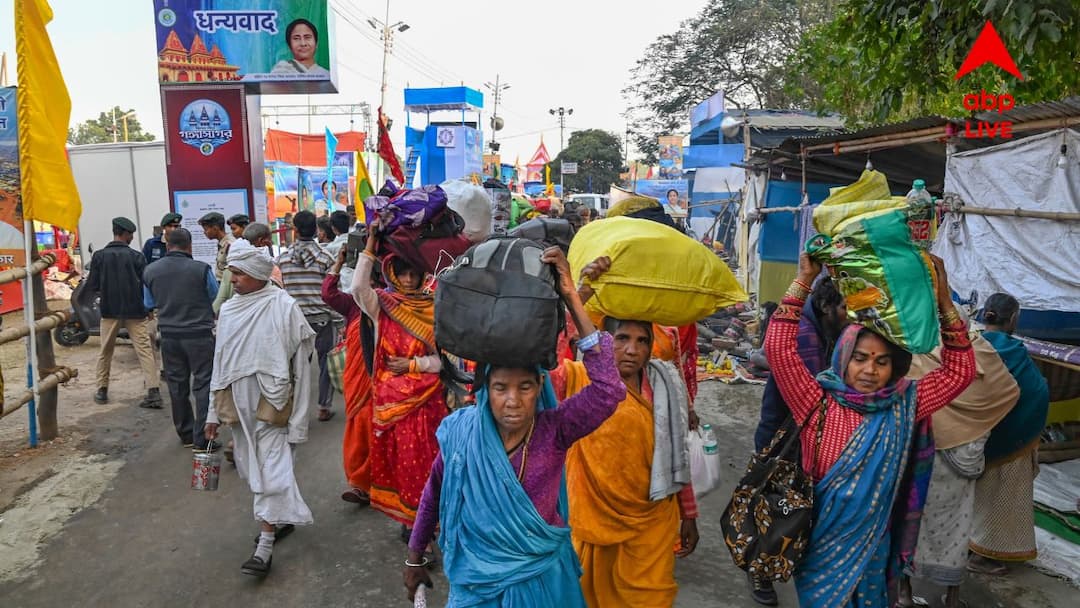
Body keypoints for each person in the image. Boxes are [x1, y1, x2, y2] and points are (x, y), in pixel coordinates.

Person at [403, 247, 625, 606]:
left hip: (540, 581)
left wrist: (571, 295)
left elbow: (609, 390)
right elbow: (434, 492)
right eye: (500, 388)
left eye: (524, 387)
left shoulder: (554, 430)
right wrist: (414, 556)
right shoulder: (461, 433)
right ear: (484, 391)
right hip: (475, 584)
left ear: (540, 389)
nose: (512, 400)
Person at [765, 254, 976, 608]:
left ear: (894, 366)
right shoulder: (815, 400)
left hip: (873, 548)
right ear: (843, 359)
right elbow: (778, 350)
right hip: (820, 546)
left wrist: (944, 303)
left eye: (881, 361)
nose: (869, 370)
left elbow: (960, 372)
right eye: (860, 358)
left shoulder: (905, 404)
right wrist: (803, 280)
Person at [561, 312, 700, 607]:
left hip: (653, 522)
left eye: (642, 341)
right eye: (622, 339)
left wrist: (689, 513)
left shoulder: (664, 385)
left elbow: (678, 449)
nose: (633, 350)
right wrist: (578, 294)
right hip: (593, 520)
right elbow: (544, 363)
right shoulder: (579, 377)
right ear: (605, 341)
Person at [204, 240, 316, 578]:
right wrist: (213, 413)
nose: (232, 279)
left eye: (237, 273)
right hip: (237, 404)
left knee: (271, 471)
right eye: (231, 273)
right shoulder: (230, 311)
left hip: (274, 403)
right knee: (254, 468)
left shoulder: (284, 307)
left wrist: (299, 420)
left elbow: (302, 369)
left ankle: (264, 547)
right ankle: (277, 521)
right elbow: (220, 361)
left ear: (255, 273)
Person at [899, 314, 1021, 608]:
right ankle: (952, 598)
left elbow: (907, 399)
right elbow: (1010, 392)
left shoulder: (921, 351)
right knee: (957, 529)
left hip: (923, 454)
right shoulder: (980, 351)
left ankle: (904, 593)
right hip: (965, 457)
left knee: (910, 522)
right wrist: (978, 425)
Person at [349, 222, 447, 537]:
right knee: (405, 463)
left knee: (430, 463)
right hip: (393, 402)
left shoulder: (434, 308)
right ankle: (412, 524)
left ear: (422, 276)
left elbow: (445, 362)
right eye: (402, 273)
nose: (407, 279)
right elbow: (357, 290)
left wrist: (414, 364)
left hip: (430, 401)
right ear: (392, 274)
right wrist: (371, 244)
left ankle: (427, 522)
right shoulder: (383, 306)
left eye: (413, 274)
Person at [968, 293, 1050, 575]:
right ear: (1014, 319)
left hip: (970, 438)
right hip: (1010, 436)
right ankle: (982, 555)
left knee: (971, 496)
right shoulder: (1014, 351)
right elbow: (1033, 392)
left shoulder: (971, 345)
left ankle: (967, 544)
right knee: (998, 498)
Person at [143, 228, 220, 450]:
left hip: (169, 335)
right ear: (190, 246)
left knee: (177, 385)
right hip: (199, 335)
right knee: (204, 383)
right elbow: (214, 297)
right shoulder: (201, 269)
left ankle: (185, 434)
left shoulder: (150, 271)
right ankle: (202, 437)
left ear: (167, 246)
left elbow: (148, 303)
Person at [87, 217, 162, 409]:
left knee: (105, 351)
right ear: (124, 233)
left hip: (110, 310)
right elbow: (146, 284)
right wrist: (149, 308)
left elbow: (93, 285)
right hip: (136, 311)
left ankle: (102, 390)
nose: (132, 237)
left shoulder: (99, 256)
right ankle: (153, 392)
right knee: (145, 351)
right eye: (131, 234)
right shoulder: (137, 257)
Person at [322, 247, 373, 505]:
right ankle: (359, 483)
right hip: (358, 383)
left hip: (386, 383)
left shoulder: (392, 302)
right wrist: (339, 263)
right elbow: (328, 294)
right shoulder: (354, 306)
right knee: (358, 431)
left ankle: (379, 484)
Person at [277, 211, 337, 421]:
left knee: (296, 369)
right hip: (322, 318)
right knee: (325, 363)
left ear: (295, 230)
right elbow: (331, 292)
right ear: (316, 230)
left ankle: (294, 409)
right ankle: (323, 406)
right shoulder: (326, 258)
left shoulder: (282, 260)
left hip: (294, 320)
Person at [198, 212, 235, 282]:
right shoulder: (222, 243)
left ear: (215, 228)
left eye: (206, 229)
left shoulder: (230, 244)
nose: (204, 232)